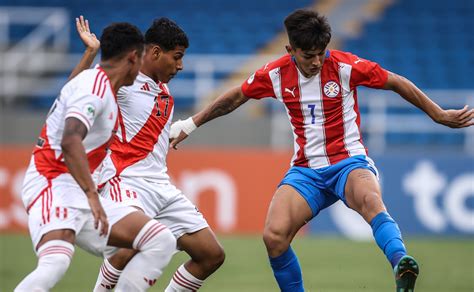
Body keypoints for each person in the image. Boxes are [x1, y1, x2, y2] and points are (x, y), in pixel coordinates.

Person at [169, 9, 474, 292]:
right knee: (274, 237)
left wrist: (438, 113)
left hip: (348, 162)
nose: (317, 61)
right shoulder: (275, 75)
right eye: (309, 56)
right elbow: (235, 97)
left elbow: (395, 81)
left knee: (370, 200)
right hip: (305, 171)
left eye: (321, 53)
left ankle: (401, 263)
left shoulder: (344, 67)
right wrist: (190, 124)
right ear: (291, 51)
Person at [15, 19, 177, 292]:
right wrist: (92, 195)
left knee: (160, 240)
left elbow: (70, 92)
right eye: (139, 62)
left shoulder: (97, 86)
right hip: (52, 184)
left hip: (78, 190)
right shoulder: (96, 88)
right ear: (133, 57)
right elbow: (69, 141)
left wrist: (89, 53)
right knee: (54, 264)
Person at [68, 18, 225, 292]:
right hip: (126, 182)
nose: (181, 65)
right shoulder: (125, 77)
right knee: (130, 245)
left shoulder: (163, 91)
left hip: (161, 186)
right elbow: (74, 95)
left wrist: (176, 131)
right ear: (154, 52)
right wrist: (90, 53)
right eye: (177, 57)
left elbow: (147, 131)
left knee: (211, 255)